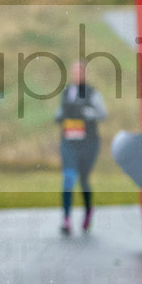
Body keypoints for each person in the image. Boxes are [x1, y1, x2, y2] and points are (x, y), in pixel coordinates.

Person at [55, 60, 107, 235]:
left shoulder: (92, 93)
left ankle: (87, 212)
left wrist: (87, 113)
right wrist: (61, 116)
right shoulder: (66, 92)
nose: (77, 75)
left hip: (88, 143)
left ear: (85, 74)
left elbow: (103, 114)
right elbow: (59, 112)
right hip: (69, 141)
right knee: (68, 178)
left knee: (83, 179)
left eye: (80, 72)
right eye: (74, 72)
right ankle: (66, 218)